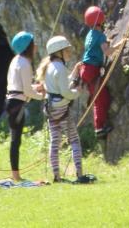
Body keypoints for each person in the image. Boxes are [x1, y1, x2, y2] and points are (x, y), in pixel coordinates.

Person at [36, 35, 95, 184]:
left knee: (55, 142)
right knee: (74, 140)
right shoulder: (60, 68)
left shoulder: (50, 67)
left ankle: (56, 176)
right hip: (61, 109)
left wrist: (75, 71)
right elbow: (66, 92)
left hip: (51, 109)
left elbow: (62, 83)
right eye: (66, 50)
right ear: (59, 52)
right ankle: (80, 174)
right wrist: (78, 92)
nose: (69, 53)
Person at [79, 6, 125, 139]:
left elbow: (97, 46)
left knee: (98, 97)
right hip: (92, 70)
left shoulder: (90, 34)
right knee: (101, 98)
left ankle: (99, 126)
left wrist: (106, 42)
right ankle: (99, 128)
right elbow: (107, 52)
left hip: (86, 70)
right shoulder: (100, 36)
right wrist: (120, 44)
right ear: (101, 21)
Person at [5, 30, 42, 182]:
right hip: (17, 104)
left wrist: (37, 88)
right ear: (28, 46)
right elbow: (27, 90)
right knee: (16, 140)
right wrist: (42, 96)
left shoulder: (16, 60)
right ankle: (15, 175)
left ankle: (15, 173)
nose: (36, 45)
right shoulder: (25, 64)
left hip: (12, 101)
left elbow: (23, 87)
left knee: (15, 139)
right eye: (33, 43)